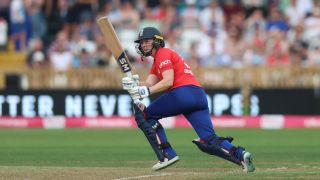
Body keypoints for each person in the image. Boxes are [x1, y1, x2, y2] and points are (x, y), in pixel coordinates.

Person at [122, 27, 255, 172]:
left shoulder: (163, 53)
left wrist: (146, 91)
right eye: (141, 43)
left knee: (144, 115)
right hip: (198, 96)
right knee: (208, 139)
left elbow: (167, 81)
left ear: (157, 41)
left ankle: (167, 154)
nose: (143, 45)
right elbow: (149, 83)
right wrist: (134, 83)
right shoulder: (157, 61)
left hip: (182, 94)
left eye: (146, 41)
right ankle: (241, 155)